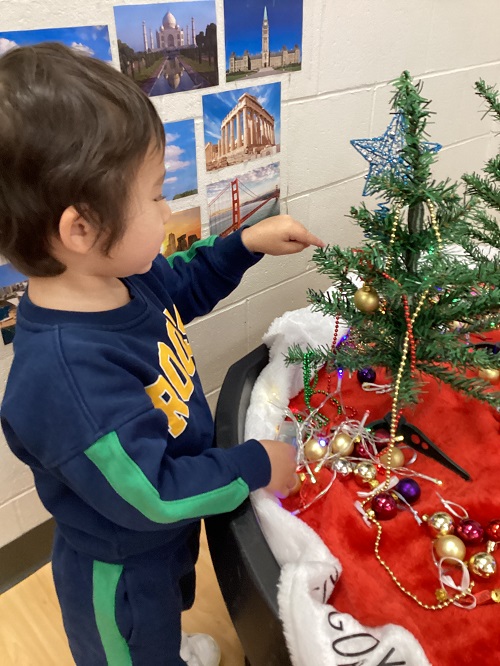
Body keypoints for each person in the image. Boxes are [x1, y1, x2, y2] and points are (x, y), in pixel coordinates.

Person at [0, 42, 324, 666]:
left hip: (161, 538)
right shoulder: (67, 382)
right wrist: (254, 463)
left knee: (166, 618)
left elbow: (186, 282)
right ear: (81, 229)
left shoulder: (124, 279)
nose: (169, 209)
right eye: (154, 196)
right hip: (122, 566)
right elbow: (151, 495)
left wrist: (244, 244)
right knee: (137, 646)